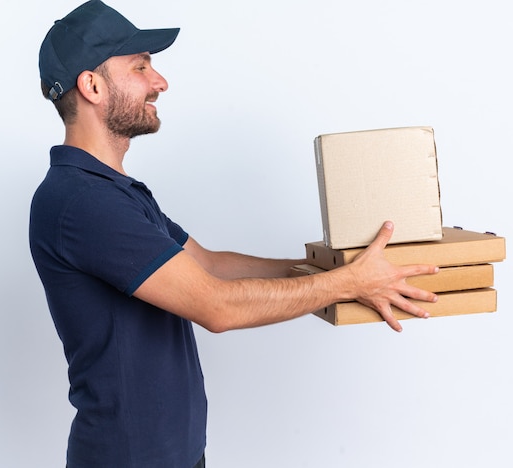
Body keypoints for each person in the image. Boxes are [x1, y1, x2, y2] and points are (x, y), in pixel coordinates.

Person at [29, 1, 439, 466]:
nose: (160, 81)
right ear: (93, 85)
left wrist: (334, 266)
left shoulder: (113, 191)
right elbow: (216, 306)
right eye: (141, 66)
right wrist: (349, 283)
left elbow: (209, 264)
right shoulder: (82, 201)